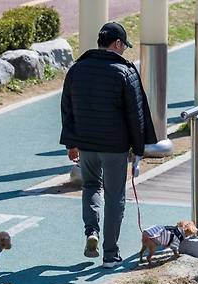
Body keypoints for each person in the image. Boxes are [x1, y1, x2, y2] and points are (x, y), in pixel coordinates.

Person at [60, 22, 156, 268]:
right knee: (115, 196)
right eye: (123, 45)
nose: (124, 50)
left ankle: (92, 230)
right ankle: (110, 254)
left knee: (91, 186)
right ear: (117, 44)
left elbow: (67, 109)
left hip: (86, 144)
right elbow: (136, 114)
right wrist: (139, 149)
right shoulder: (125, 72)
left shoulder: (77, 69)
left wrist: (72, 143)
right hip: (115, 147)